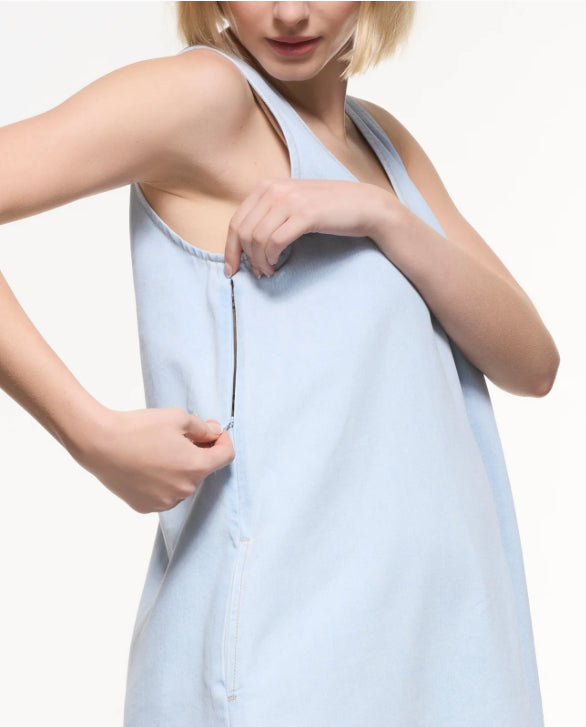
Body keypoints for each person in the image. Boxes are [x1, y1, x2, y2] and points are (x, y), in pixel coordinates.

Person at [0, 2, 559, 726]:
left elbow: (532, 362)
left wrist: (379, 215)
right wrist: (89, 433)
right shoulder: (207, 97)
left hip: (441, 659)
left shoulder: (384, 145)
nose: (290, 12)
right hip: (283, 665)